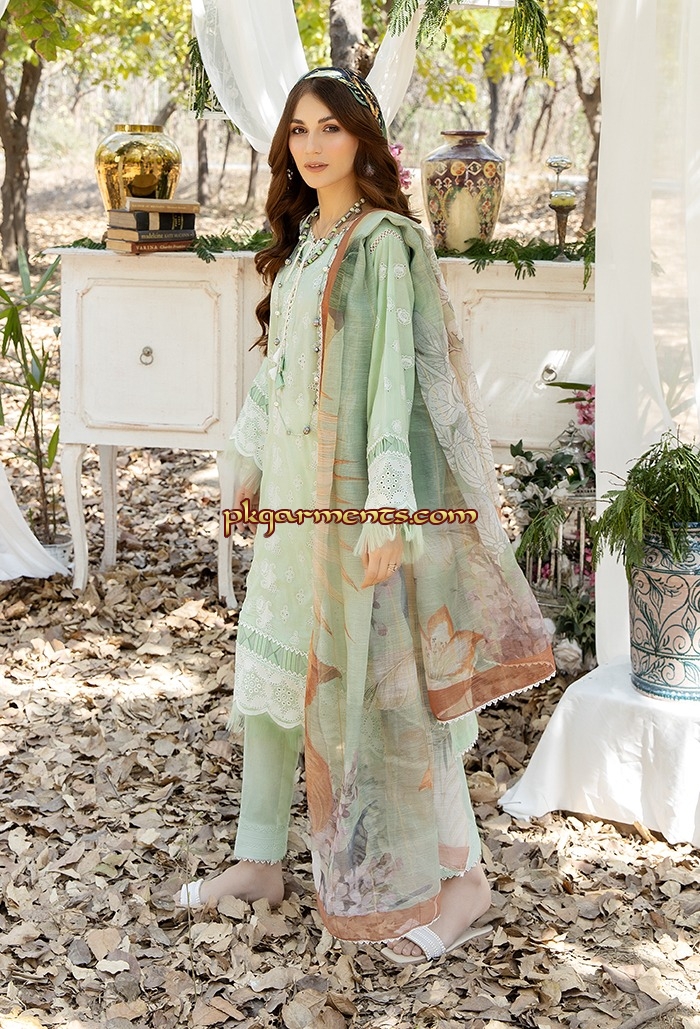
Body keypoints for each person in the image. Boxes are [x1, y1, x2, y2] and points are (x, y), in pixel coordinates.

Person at [176, 67, 555, 963]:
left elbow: (391, 383)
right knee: (275, 673)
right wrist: (245, 459)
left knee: (393, 688)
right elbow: (279, 368)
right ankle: (259, 859)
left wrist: (389, 507)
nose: (312, 145)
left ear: (364, 142)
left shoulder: (384, 243)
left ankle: (465, 880)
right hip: (296, 506)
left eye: (331, 129)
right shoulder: (307, 239)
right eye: (299, 129)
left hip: (358, 508)